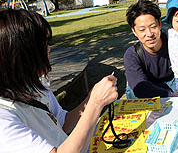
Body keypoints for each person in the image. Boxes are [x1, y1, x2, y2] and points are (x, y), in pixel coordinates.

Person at [0, 9, 118, 153]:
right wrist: (95, 104)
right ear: (22, 55)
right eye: (43, 45)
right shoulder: (4, 120)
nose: (49, 49)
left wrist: (90, 98)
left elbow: (62, 123)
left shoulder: (33, 87)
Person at [124, 0, 178, 99]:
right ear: (134, 31)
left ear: (160, 24)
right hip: (148, 86)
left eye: (153, 26)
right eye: (142, 30)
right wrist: (171, 96)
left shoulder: (174, 39)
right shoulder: (132, 54)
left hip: (174, 82)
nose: (149, 34)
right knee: (133, 91)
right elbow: (140, 87)